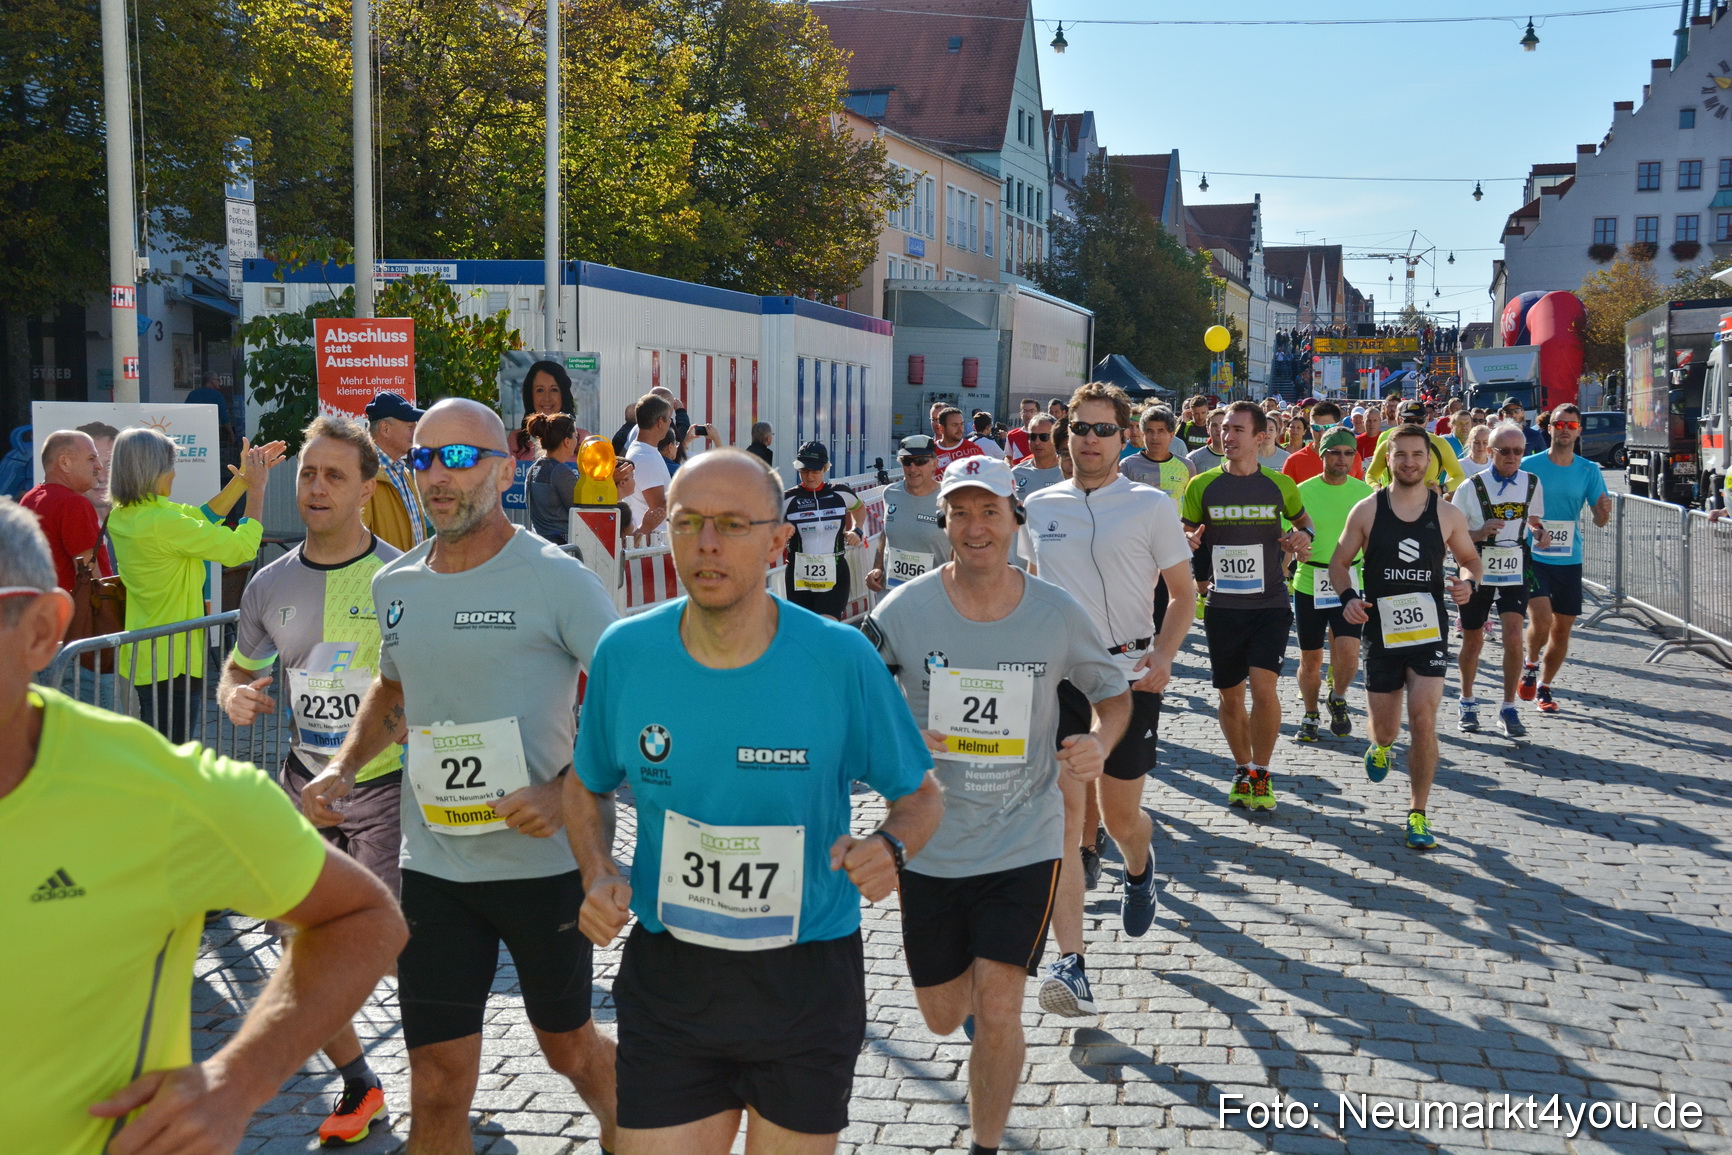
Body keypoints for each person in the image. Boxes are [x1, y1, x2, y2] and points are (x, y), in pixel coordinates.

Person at [0, 497, 406, 1155]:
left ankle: (361, 1080)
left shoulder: (153, 791)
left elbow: (366, 918)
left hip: (361, 781)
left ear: (44, 630)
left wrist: (240, 1077)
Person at [564, 449, 941, 1155]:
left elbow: (918, 795)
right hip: (672, 973)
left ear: (777, 539)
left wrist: (890, 847)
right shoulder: (626, 651)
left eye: (733, 525)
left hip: (804, 977)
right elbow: (585, 785)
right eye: (689, 522)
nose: (707, 543)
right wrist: (596, 871)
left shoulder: (838, 657)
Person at [305, 398, 622, 1154]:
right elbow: (394, 688)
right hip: (438, 868)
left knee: (569, 1047)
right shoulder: (398, 585)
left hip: (541, 867)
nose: (438, 477)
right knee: (439, 1082)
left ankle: (631, 1127)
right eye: (424, 458)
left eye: (459, 457)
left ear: (505, 468)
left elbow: (627, 692)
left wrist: (565, 788)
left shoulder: (557, 578)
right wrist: (344, 767)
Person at [866, 455, 1129, 1154]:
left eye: (989, 511)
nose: (975, 527)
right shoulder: (906, 607)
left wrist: (1100, 742)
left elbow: (1113, 691)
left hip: (1025, 838)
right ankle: (980, 1022)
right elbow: (855, 678)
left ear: (1017, 517)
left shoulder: (1054, 610)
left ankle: (985, 1143)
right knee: (941, 1011)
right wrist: (894, 729)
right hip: (932, 840)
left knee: (1001, 1002)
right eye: (961, 512)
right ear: (944, 520)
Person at [216, 415, 405, 1145]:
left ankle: (442, 1055)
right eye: (307, 474)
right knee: (304, 937)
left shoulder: (400, 576)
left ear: (367, 487)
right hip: (305, 784)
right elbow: (242, 667)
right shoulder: (270, 584)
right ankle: (360, 1083)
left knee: (384, 946)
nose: (316, 487)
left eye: (334, 475)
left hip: (386, 784)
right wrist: (235, 693)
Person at [1021, 382, 1197, 1016]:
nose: (1089, 440)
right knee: (1067, 820)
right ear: (1066, 436)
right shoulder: (1037, 506)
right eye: (1079, 429)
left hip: (1128, 675)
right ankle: (1073, 964)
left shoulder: (1149, 505)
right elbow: (1024, 591)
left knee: (1119, 817)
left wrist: (1165, 654)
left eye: (1102, 430)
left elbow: (1182, 593)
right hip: (1060, 678)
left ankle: (1140, 865)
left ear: (1124, 438)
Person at [1332, 424, 1482, 850]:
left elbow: (1471, 560)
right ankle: (1380, 747)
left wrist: (1467, 582)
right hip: (1381, 631)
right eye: (1402, 455)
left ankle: (1418, 812)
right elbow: (1340, 563)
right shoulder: (1367, 510)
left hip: (1429, 632)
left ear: (1430, 459)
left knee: (1423, 718)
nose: (1411, 462)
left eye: (1418, 454)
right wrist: (1347, 597)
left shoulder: (1447, 513)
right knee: (1386, 729)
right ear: (1389, 459)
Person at [106, 428, 281, 742]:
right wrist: (257, 490)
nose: (174, 474)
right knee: (170, 753)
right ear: (153, 471)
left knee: (158, 747)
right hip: (174, 661)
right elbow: (241, 549)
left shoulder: (126, 516)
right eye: (170, 466)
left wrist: (243, 477)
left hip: (149, 654)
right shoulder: (162, 523)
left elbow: (203, 517)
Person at [1181, 400, 1313, 811]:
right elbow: (1185, 531)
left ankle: (1261, 772)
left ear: (1260, 437)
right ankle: (1242, 768)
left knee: (1264, 686)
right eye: (1224, 429)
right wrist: (1186, 541)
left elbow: (1304, 523)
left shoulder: (1280, 484)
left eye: (1237, 429)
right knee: (1230, 695)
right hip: (1222, 604)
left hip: (1270, 601)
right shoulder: (1200, 485)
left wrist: (1302, 539)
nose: (1227, 436)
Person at [1452, 423, 1551, 738]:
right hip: (1477, 567)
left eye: (1518, 451)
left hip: (1514, 566)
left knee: (1513, 638)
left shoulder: (1532, 483)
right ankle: (1467, 700)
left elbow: (1534, 521)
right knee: (1473, 639)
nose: (1511, 457)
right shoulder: (1470, 487)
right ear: (1490, 451)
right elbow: (1452, 536)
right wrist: (1479, 533)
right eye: (1504, 451)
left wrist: (1538, 532)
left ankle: (1508, 707)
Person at [1521, 403, 1613, 713]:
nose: (1564, 430)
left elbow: (1600, 520)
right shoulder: (1529, 465)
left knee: (1562, 628)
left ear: (1578, 431)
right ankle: (1530, 663)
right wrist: (1532, 527)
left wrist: (1602, 514)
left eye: (1571, 426)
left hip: (1569, 558)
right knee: (1542, 619)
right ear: (1549, 428)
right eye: (1559, 424)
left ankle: (1544, 687)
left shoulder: (1588, 470)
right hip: (1534, 555)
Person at [1293, 428, 1373, 742]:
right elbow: (1287, 531)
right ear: (1322, 454)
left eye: (1348, 453)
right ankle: (1310, 714)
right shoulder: (1301, 491)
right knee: (1310, 659)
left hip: (1351, 582)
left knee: (1349, 653)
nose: (1341, 459)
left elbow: (1372, 539)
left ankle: (1337, 696)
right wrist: (1292, 545)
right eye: (1335, 452)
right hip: (1310, 581)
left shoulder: (1363, 493)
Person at [20, 429, 111, 592]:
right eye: (92, 458)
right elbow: (90, 574)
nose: (99, 466)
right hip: (71, 612)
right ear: (65, 463)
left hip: (41, 609)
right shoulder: (72, 503)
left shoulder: (29, 498)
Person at [782, 441, 865, 619]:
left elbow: (859, 508)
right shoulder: (787, 499)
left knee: (827, 625)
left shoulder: (841, 493)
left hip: (834, 573)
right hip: (799, 577)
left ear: (826, 468)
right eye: (804, 471)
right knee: (803, 631)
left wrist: (857, 530)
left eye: (815, 471)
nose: (809, 476)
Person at [867, 435, 949, 593]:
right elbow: (885, 532)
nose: (913, 468)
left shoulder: (950, 497)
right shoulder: (891, 493)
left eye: (920, 461)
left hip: (934, 594)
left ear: (934, 464)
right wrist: (877, 568)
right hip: (892, 593)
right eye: (906, 461)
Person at [362, 391, 430, 552]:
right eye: (410, 427)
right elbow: (353, 546)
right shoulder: (362, 475)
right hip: (384, 577)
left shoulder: (403, 471)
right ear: (385, 429)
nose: (416, 433)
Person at [1366, 400, 1466, 492]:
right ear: (1401, 420)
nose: (1415, 424)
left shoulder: (1440, 444)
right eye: (1409, 421)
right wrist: (1377, 489)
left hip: (1428, 505)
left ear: (1427, 419)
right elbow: (1371, 474)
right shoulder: (1389, 443)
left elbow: (1459, 476)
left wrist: (1442, 488)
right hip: (1393, 503)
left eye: (1419, 420)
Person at [522, 411, 583, 544]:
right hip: (562, 548)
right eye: (575, 436)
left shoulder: (534, 468)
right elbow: (581, 512)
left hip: (539, 544)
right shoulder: (560, 472)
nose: (577, 440)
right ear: (567, 441)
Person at [512, 359, 584, 461]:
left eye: (554, 389)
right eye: (540, 390)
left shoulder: (583, 438)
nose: (547, 398)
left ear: (563, 394)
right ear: (530, 395)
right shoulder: (515, 439)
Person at [1118, 406, 1195, 500]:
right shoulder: (1127, 465)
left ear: (1171, 436)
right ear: (1143, 434)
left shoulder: (1187, 466)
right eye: (1150, 431)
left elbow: (1191, 505)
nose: (1155, 437)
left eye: (1161, 431)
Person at [623, 393, 673, 537]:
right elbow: (659, 509)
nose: (670, 423)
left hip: (656, 542)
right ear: (660, 422)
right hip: (656, 545)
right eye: (669, 418)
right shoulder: (645, 457)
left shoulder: (644, 451)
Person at [1281, 401, 1361, 485]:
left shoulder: (1352, 456)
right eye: (1316, 427)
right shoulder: (1294, 461)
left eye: (1328, 427)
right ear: (1310, 428)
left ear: (1339, 426)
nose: (1322, 433)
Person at [1010, 415, 1065, 496]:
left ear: (1055, 438)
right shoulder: (1016, 473)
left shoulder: (1068, 472)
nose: (1037, 442)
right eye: (1032, 437)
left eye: (1044, 437)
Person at [933, 407, 986, 476]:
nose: (960, 429)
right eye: (955, 425)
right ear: (941, 428)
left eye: (961, 424)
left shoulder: (973, 449)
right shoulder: (931, 452)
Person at [1185, 406, 1227, 475]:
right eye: (1214, 425)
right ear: (1208, 429)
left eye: (1222, 425)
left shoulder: (1239, 457)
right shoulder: (1193, 459)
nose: (1218, 429)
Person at [1004, 398, 1040, 462]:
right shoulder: (1011, 435)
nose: (1028, 414)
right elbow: (1008, 457)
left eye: (1032, 411)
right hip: (1017, 471)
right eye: (1025, 411)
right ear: (1021, 414)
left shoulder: (1045, 435)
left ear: (1038, 414)